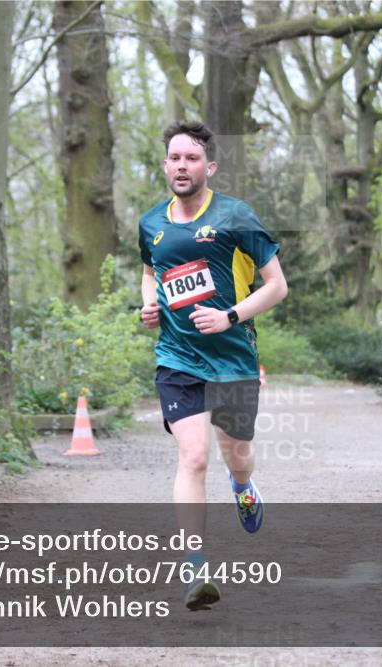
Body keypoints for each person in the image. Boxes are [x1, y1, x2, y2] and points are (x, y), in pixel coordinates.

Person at [138, 121, 288, 611]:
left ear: (209, 167)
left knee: (235, 453)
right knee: (193, 456)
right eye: (175, 158)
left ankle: (242, 487)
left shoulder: (235, 217)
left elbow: (276, 286)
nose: (182, 166)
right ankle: (196, 565)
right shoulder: (151, 224)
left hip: (234, 359)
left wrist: (229, 316)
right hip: (177, 358)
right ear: (165, 165)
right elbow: (149, 272)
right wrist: (149, 305)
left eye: (192, 159)